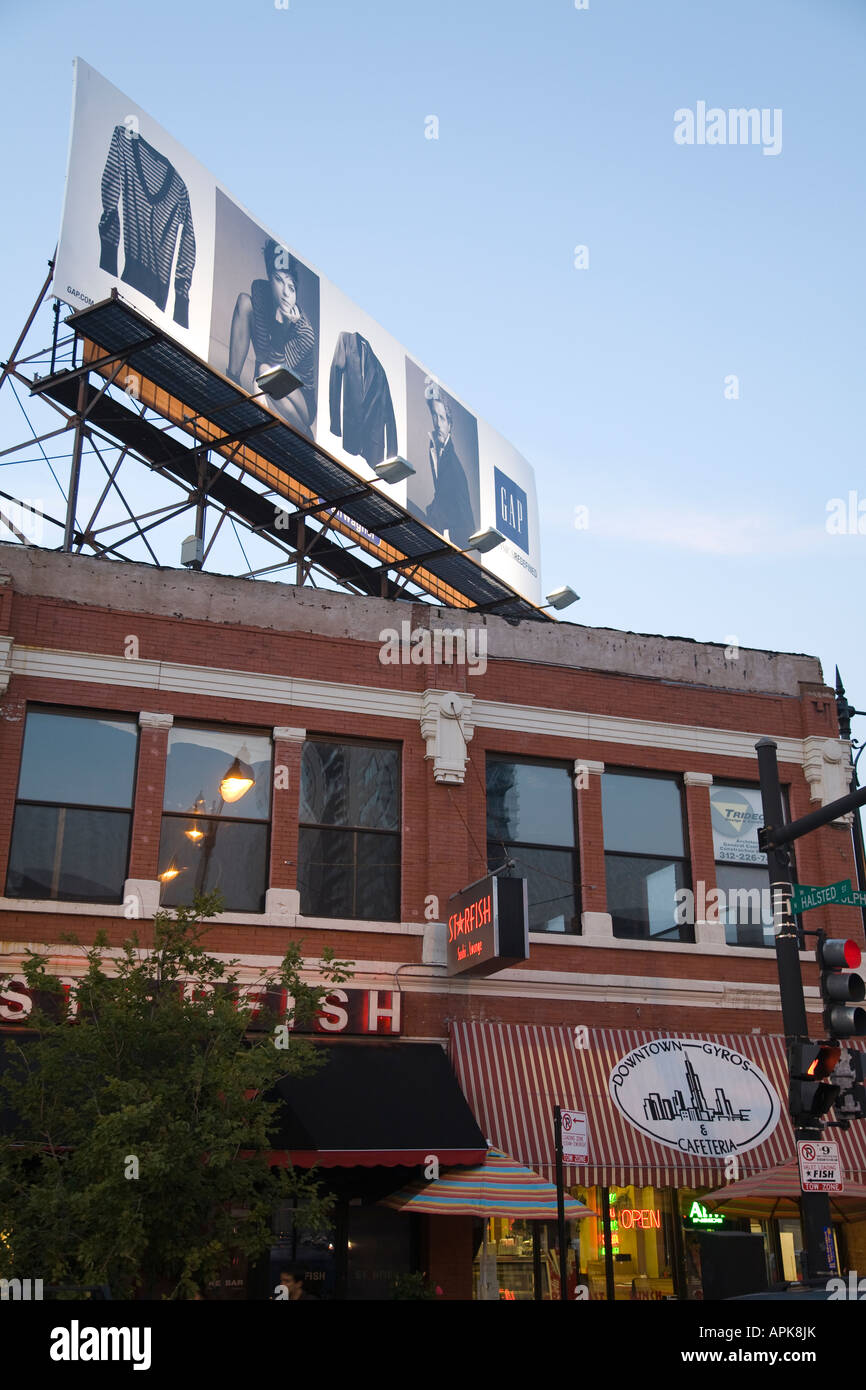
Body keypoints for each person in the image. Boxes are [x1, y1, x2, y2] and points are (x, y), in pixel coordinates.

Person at [226, 240, 316, 437]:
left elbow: (278, 371)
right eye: (278, 280)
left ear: (296, 292)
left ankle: (303, 431)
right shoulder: (259, 290)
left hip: (300, 397)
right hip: (266, 372)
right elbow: (262, 349)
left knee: (266, 372)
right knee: (243, 301)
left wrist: (283, 327)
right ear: (269, 278)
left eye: (291, 287)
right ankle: (230, 380)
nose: (285, 292)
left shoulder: (305, 332)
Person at [422, 387, 477, 551]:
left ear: (450, 424)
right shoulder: (433, 445)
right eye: (434, 415)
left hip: (458, 539)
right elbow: (441, 495)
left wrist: (430, 514)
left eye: (442, 418)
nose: (438, 423)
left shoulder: (453, 467)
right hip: (445, 532)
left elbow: (457, 512)